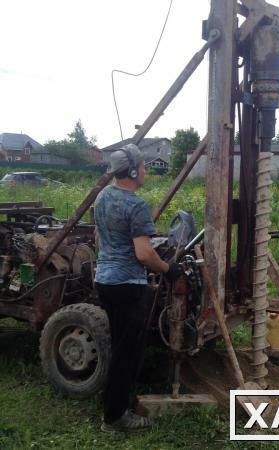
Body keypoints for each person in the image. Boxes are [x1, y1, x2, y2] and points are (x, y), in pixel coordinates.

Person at [94, 143, 182, 432]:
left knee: (119, 345)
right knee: (127, 352)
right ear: (132, 171)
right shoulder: (136, 205)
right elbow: (144, 254)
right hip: (128, 286)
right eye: (143, 166)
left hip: (105, 281)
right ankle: (115, 417)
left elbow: (99, 238)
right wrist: (169, 270)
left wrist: (113, 257)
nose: (145, 169)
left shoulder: (103, 197)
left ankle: (115, 402)